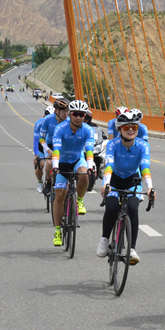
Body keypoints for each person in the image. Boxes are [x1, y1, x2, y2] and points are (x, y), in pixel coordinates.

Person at [97, 110, 156, 265]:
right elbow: (109, 166)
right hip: (114, 179)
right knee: (111, 207)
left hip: (132, 180)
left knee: (132, 208)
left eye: (134, 127)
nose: (131, 130)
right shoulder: (112, 144)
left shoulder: (143, 146)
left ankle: (132, 249)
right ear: (119, 129)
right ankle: (104, 240)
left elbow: (145, 168)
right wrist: (106, 183)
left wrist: (150, 187)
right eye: (126, 127)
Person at [50, 100, 96, 247]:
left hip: (77, 159)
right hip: (62, 161)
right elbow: (56, 150)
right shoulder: (60, 129)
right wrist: (55, 167)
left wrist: (90, 167)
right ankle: (58, 231)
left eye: (82, 115)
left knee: (84, 174)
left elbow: (89, 151)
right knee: (59, 194)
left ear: (85, 116)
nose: (78, 117)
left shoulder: (88, 130)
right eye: (75, 114)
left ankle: (79, 201)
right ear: (70, 114)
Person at [38, 96, 69, 196]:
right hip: (50, 145)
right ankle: (48, 182)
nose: (66, 113)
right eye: (63, 111)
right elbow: (41, 138)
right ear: (56, 111)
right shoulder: (47, 119)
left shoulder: (69, 121)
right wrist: (48, 151)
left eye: (67, 111)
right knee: (49, 163)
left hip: (63, 146)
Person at [33, 105, 55, 192]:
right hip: (42, 145)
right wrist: (36, 155)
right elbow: (36, 140)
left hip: (53, 145)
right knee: (40, 164)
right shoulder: (39, 123)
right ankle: (40, 182)